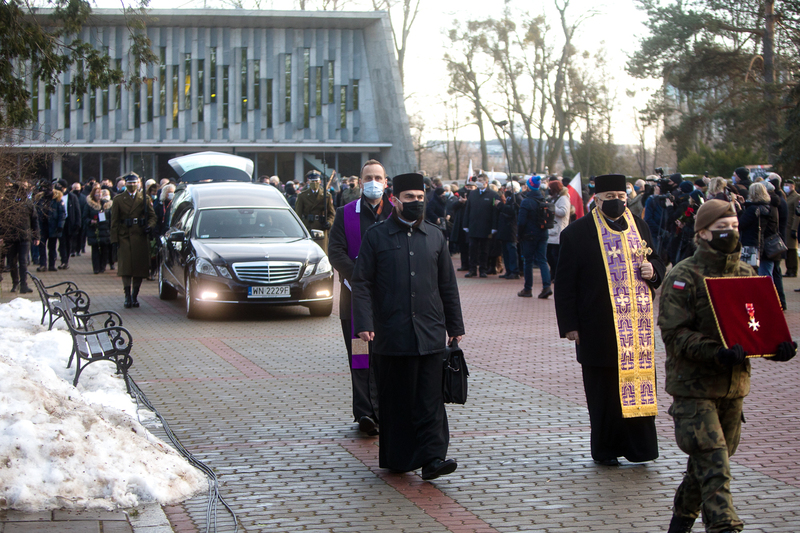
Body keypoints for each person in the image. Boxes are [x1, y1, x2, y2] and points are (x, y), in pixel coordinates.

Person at [658, 199, 797, 533]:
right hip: (693, 388)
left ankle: (680, 524)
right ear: (703, 233)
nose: (731, 233)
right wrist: (714, 351)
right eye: (722, 229)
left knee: (709, 462)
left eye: (734, 227)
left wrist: (776, 348)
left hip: (733, 387)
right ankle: (725, 526)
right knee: (715, 463)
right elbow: (674, 334)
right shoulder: (683, 276)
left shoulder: (747, 274)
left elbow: (757, 325)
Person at [351, 172, 465, 480]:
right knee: (397, 399)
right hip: (391, 333)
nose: (416, 202)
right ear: (394, 201)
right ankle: (400, 459)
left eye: (420, 197)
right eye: (409, 198)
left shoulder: (436, 236)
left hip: (430, 332)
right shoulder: (376, 236)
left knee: (430, 400)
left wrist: (455, 325)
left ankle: (433, 459)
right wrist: (364, 323)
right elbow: (361, 283)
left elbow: (447, 285)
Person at [554, 174, 665, 466]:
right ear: (597, 199)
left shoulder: (639, 225)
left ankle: (641, 449)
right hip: (598, 327)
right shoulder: (577, 233)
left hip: (636, 331)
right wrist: (570, 325)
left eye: (621, 194)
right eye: (610, 196)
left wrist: (653, 271)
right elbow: (565, 283)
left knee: (639, 385)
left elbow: (658, 260)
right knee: (603, 392)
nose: (617, 201)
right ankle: (606, 450)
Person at [328, 159, 392, 437]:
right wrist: (362, 278)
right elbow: (336, 252)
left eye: (378, 177)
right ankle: (365, 412)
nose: (373, 182)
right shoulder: (345, 213)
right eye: (369, 177)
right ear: (360, 181)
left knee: (387, 359)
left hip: (390, 301)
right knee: (360, 357)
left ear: (386, 182)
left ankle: (388, 411)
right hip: (355, 301)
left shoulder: (395, 212)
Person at [110, 172, 156, 308]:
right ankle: (127, 296)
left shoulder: (144, 199)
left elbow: (153, 217)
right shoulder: (118, 199)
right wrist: (114, 240)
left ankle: (135, 296)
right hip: (124, 236)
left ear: (138, 184)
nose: (132, 185)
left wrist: (149, 226)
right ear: (126, 184)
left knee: (139, 268)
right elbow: (114, 221)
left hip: (140, 236)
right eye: (129, 183)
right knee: (126, 268)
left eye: (134, 183)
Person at [517, 176, 552, 298]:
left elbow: (521, 222)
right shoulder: (544, 199)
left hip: (529, 235)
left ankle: (528, 289)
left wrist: (519, 235)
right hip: (543, 234)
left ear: (529, 187)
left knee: (528, 261)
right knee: (542, 260)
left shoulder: (526, 202)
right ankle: (546, 286)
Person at [463, 173, 500, 278]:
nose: (478, 182)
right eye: (477, 180)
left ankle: (483, 270)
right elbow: (468, 209)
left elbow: (494, 212)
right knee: (472, 249)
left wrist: (494, 227)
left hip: (486, 227)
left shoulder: (493, 195)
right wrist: (465, 224)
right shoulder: (472, 194)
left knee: (484, 250)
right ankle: (472, 269)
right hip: (473, 226)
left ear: (486, 182)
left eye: (480, 180)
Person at [5, 183, 39, 293]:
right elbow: (2, 222)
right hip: (10, 237)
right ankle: (15, 283)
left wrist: (36, 236)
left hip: (24, 237)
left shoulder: (28, 204)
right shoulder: (6, 204)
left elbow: (34, 220)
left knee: (23, 261)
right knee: (12, 261)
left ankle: (23, 284)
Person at [295, 170, 335, 253]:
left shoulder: (326, 195)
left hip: (321, 228)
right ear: (308, 182)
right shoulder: (302, 196)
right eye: (312, 181)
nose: (315, 183)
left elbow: (331, 213)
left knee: (322, 252)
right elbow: (298, 214)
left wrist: (329, 222)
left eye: (316, 181)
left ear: (320, 181)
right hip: (308, 227)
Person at [35, 184, 65, 272]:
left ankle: (52, 265)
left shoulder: (57, 200)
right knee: (42, 246)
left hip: (53, 226)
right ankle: (43, 264)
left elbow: (62, 214)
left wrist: (60, 225)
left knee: (52, 247)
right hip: (42, 226)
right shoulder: (40, 199)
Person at [84, 185, 113, 274]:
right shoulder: (89, 205)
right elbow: (84, 217)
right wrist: (91, 221)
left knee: (105, 250)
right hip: (94, 230)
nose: (99, 196)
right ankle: (96, 268)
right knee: (95, 250)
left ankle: (102, 267)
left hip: (105, 230)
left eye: (100, 194)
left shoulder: (106, 205)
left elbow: (111, 217)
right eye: (97, 194)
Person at [547, 179, 571, 282]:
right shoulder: (555, 198)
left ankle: (557, 274)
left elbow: (563, 212)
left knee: (554, 255)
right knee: (549, 254)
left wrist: (551, 208)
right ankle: (553, 273)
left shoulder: (563, 199)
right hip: (552, 230)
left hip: (559, 230)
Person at [497, 181, 520, 280]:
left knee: (511, 250)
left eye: (510, 188)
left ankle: (514, 270)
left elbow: (512, 211)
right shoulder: (510, 197)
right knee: (506, 250)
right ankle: (508, 270)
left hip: (511, 228)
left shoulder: (517, 198)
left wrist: (500, 206)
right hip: (505, 228)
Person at [785, 179, 800, 277]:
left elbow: (797, 214)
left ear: (792, 186)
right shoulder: (786, 196)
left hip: (791, 226)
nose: (785, 186)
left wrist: (794, 228)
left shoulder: (796, 197)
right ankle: (788, 269)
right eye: (784, 184)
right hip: (786, 226)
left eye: (787, 185)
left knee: (792, 249)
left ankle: (793, 269)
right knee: (787, 249)